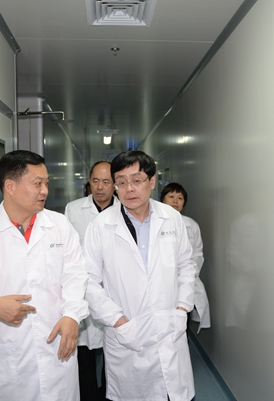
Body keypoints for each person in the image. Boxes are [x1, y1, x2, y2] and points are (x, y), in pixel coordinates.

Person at [0, 150, 89, 401]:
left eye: (46, 183)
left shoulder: (59, 226)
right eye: (37, 183)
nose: (45, 190)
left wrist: (71, 315)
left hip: (56, 354)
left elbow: (75, 275)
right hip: (8, 360)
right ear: (10, 186)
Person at [83, 150, 197, 401]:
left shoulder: (171, 218)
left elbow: (187, 265)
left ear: (152, 181)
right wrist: (117, 321)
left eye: (137, 180)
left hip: (170, 327)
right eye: (121, 182)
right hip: (127, 334)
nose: (129, 189)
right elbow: (88, 281)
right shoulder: (101, 226)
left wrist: (182, 308)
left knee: (173, 393)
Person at [65, 161, 118, 400]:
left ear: (115, 185)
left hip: (115, 291)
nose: (100, 187)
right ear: (89, 182)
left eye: (106, 182)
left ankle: (109, 395)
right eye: (95, 181)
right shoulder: (73, 209)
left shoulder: (125, 209)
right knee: (83, 354)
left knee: (114, 354)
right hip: (84, 289)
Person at [161, 183, 211, 333]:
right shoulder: (154, 223)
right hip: (161, 285)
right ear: (162, 200)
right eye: (171, 196)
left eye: (180, 198)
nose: (175, 201)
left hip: (184, 283)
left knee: (182, 325)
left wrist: (188, 274)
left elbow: (197, 253)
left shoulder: (191, 225)